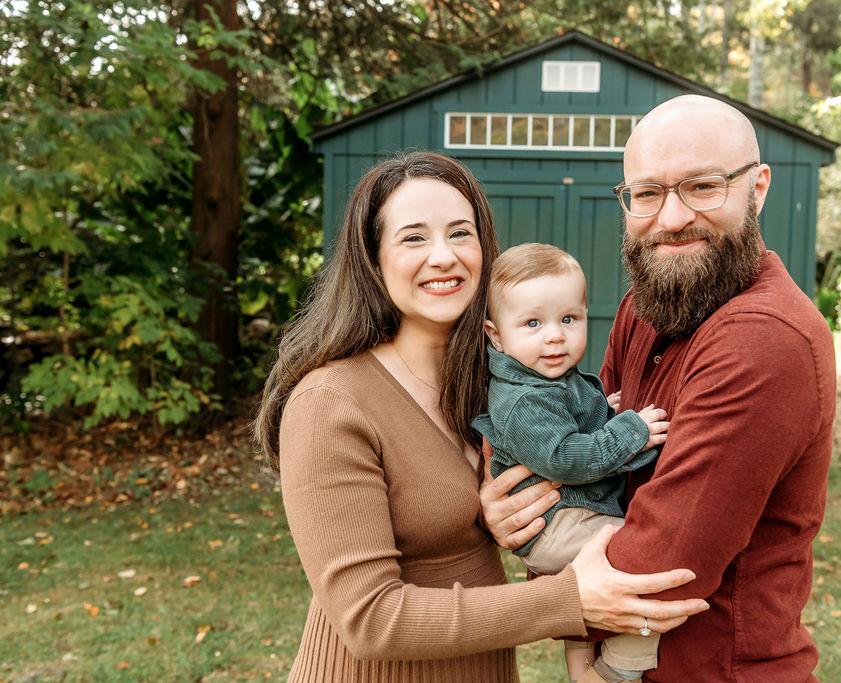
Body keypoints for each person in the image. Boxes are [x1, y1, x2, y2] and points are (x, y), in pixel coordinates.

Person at [251, 151, 709, 682]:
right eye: (414, 237)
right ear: (372, 259)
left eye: (460, 233)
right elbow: (370, 620)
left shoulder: (497, 382)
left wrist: (490, 518)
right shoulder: (331, 402)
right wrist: (568, 599)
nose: (443, 256)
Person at [480, 95, 838, 683]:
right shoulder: (647, 305)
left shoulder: (764, 338)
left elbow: (663, 562)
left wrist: (546, 555)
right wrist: (517, 515)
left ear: (758, 188)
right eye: (646, 193)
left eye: (702, 186)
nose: (670, 218)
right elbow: (597, 458)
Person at [472, 243, 671, 683]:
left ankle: (582, 672)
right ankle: (622, 665)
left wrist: (601, 407)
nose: (555, 335)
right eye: (532, 323)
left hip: (569, 513)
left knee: (619, 561)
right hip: (557, 522)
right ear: (496, 335)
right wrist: (628, 430)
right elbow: (565, 457)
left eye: (568, 319)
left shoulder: (550, 375)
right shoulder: (522, 400)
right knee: (641, 554)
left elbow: (574, 414)